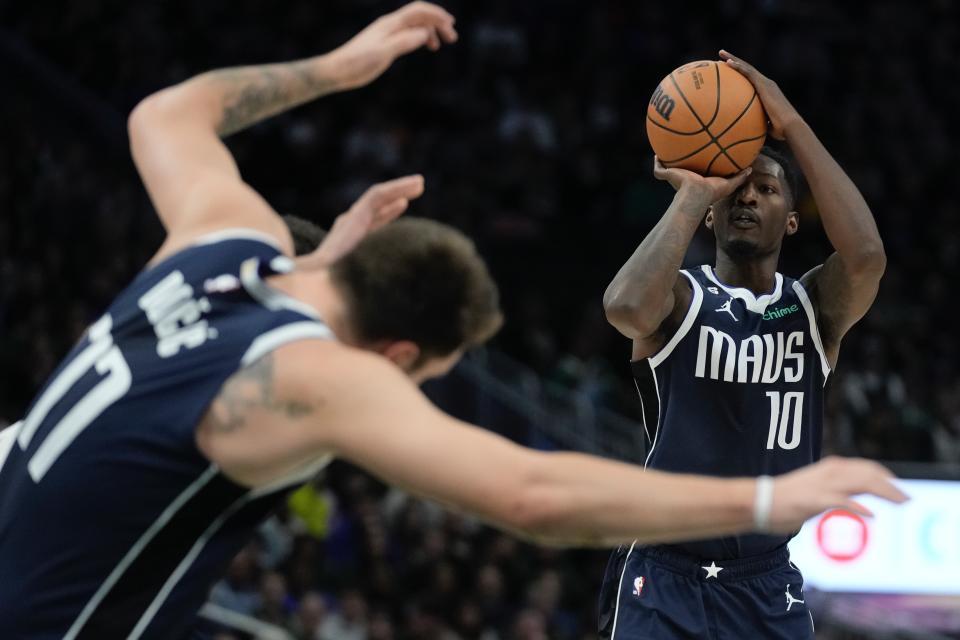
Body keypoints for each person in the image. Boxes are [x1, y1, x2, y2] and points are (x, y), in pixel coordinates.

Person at [0, 8, 904, 638]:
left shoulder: (212, 247)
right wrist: (767, 499)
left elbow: (165, 112)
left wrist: (342, 67)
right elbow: (530, 496)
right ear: (401, 354)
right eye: (428, 378)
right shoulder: (314, 374)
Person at [600, 50, 889, 638]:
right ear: (711, 213)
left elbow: (866, 257)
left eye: (766, 188)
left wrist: (794, 125)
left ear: (791, 219)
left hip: (764, 580)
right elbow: (623, 307)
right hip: (665, 571)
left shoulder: (812, 309)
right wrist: (693, 191)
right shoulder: (680, 298)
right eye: (735, 188)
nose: (748, 197)